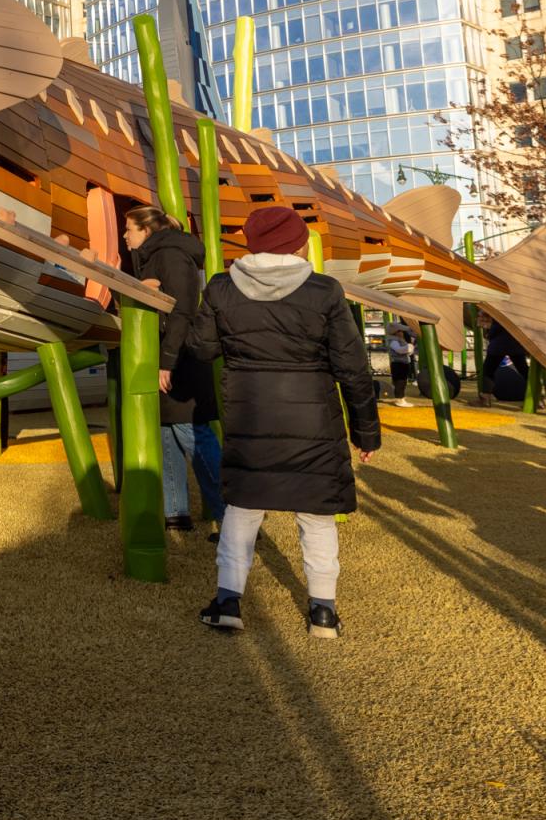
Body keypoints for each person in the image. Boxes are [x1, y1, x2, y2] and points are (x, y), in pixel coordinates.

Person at [186, 204, 380, 639]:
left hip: (249, 411)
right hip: (313, 417)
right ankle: (323, 613)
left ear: (252, 244)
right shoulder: (325, 291)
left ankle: (228, 603)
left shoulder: (221, 288)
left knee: (242, 510)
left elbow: (201, 350)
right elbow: (353, 368)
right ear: (297, 244)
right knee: (316, 516)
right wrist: (365, 432)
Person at [122, 205, 222, 531]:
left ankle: (233, 515)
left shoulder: (172, 256)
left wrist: (166, 363)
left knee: (192, 433)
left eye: (129, 229)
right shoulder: (152, 258)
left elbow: (182, 312)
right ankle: (176, 511)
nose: (125, 236)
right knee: (167, 433)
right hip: (164, 356)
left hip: (181, 358)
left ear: (147, 231)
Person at [384, 321, 416, 406]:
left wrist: (410, 348)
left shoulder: (399, 340)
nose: (402, 333)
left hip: (403, 363)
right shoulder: (393, 340)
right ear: (395, 332)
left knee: (403, 381)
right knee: (399, 382)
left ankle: (401, 398)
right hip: (398, 363)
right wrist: (409, 347)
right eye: (400, 331)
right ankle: (399, 399)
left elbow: (407, 351)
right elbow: (399, 350)